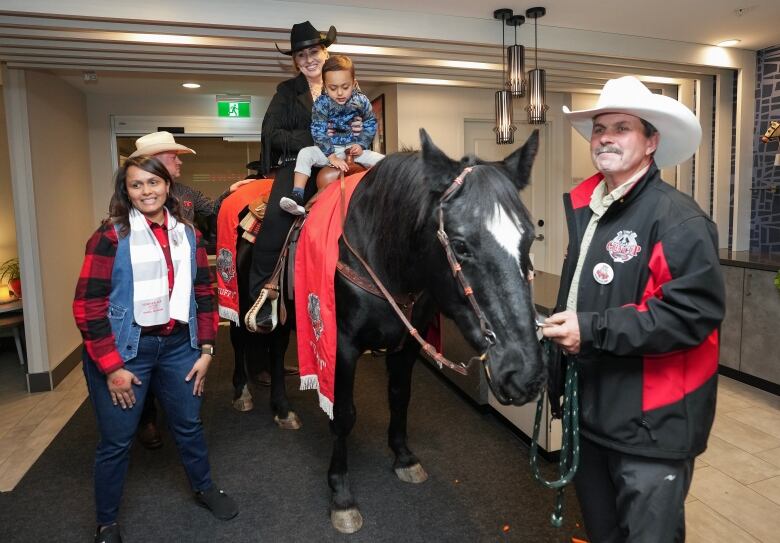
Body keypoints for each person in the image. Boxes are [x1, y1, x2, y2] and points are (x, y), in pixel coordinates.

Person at [541, 76, 725, 542]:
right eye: (600, 127)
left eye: (622, 127)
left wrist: (592, 328)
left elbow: (689, 315)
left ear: (651, 143)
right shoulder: (591, 209)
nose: (605, 136)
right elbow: (587, 299)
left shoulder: (677, 219)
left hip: (653, 425)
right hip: (595, 415)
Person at [73, 156, 238, 543]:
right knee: (116, 441)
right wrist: (112, 367)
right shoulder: (110, 236)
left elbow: (203, 294)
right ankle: (107, 521)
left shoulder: (189, 234)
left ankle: (203, 488)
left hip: (180, 346)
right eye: (136, 185)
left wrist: (208, 349)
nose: (146, 191)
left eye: (153, 182)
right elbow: (88, 306)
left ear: (167, 186)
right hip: (125, 350)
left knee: (189, 425)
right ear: (125, 191)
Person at [129, 131, 252, 449]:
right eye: (173, 156)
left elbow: (214, 208)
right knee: (142, 367)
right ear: (155, 161)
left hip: (183, 296)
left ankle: (179, 413)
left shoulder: (186, 193)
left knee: (180, 359)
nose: (179, 161)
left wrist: (232, 192)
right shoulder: (131, 202)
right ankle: (148, 420)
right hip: (145, 302)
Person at [245, 21, 361, 333]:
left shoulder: (346, 85)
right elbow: (271, 133)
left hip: (344, 161)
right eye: (301, 55)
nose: (308, 59)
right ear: (295, 61)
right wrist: (313, 138)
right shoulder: (287, 91)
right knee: (276, 220)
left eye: (313, 51)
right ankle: (264, 294)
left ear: (325, 52)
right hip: (301, 165)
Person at [279, 54, 383, 215]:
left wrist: (361, 144)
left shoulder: (361, 101)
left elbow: (370, 122)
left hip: (353, 151)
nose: (340, 93)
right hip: (328, 150)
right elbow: (318, 130)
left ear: (354, 83)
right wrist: (331, 156)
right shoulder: (321, 103)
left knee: (383, 161)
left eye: (345, 87)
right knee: (305, 153)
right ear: (325, 86)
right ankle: (297, 195)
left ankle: (383, 197)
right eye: (333, 88)